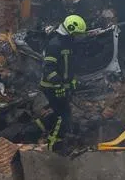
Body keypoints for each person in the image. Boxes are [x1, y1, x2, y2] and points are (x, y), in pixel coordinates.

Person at [36, 14, 87, 150]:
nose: (78, 36)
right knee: (62, 117)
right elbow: (49, 69)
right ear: (70, 30)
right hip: (51, 88)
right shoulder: (55, 44)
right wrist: (58, 85)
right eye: (77, 33)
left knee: (62, 114)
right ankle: (55, 147)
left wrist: (72, 82)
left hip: (60, 88)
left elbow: (68, 68)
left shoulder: (67, 44)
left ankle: (38, 129)